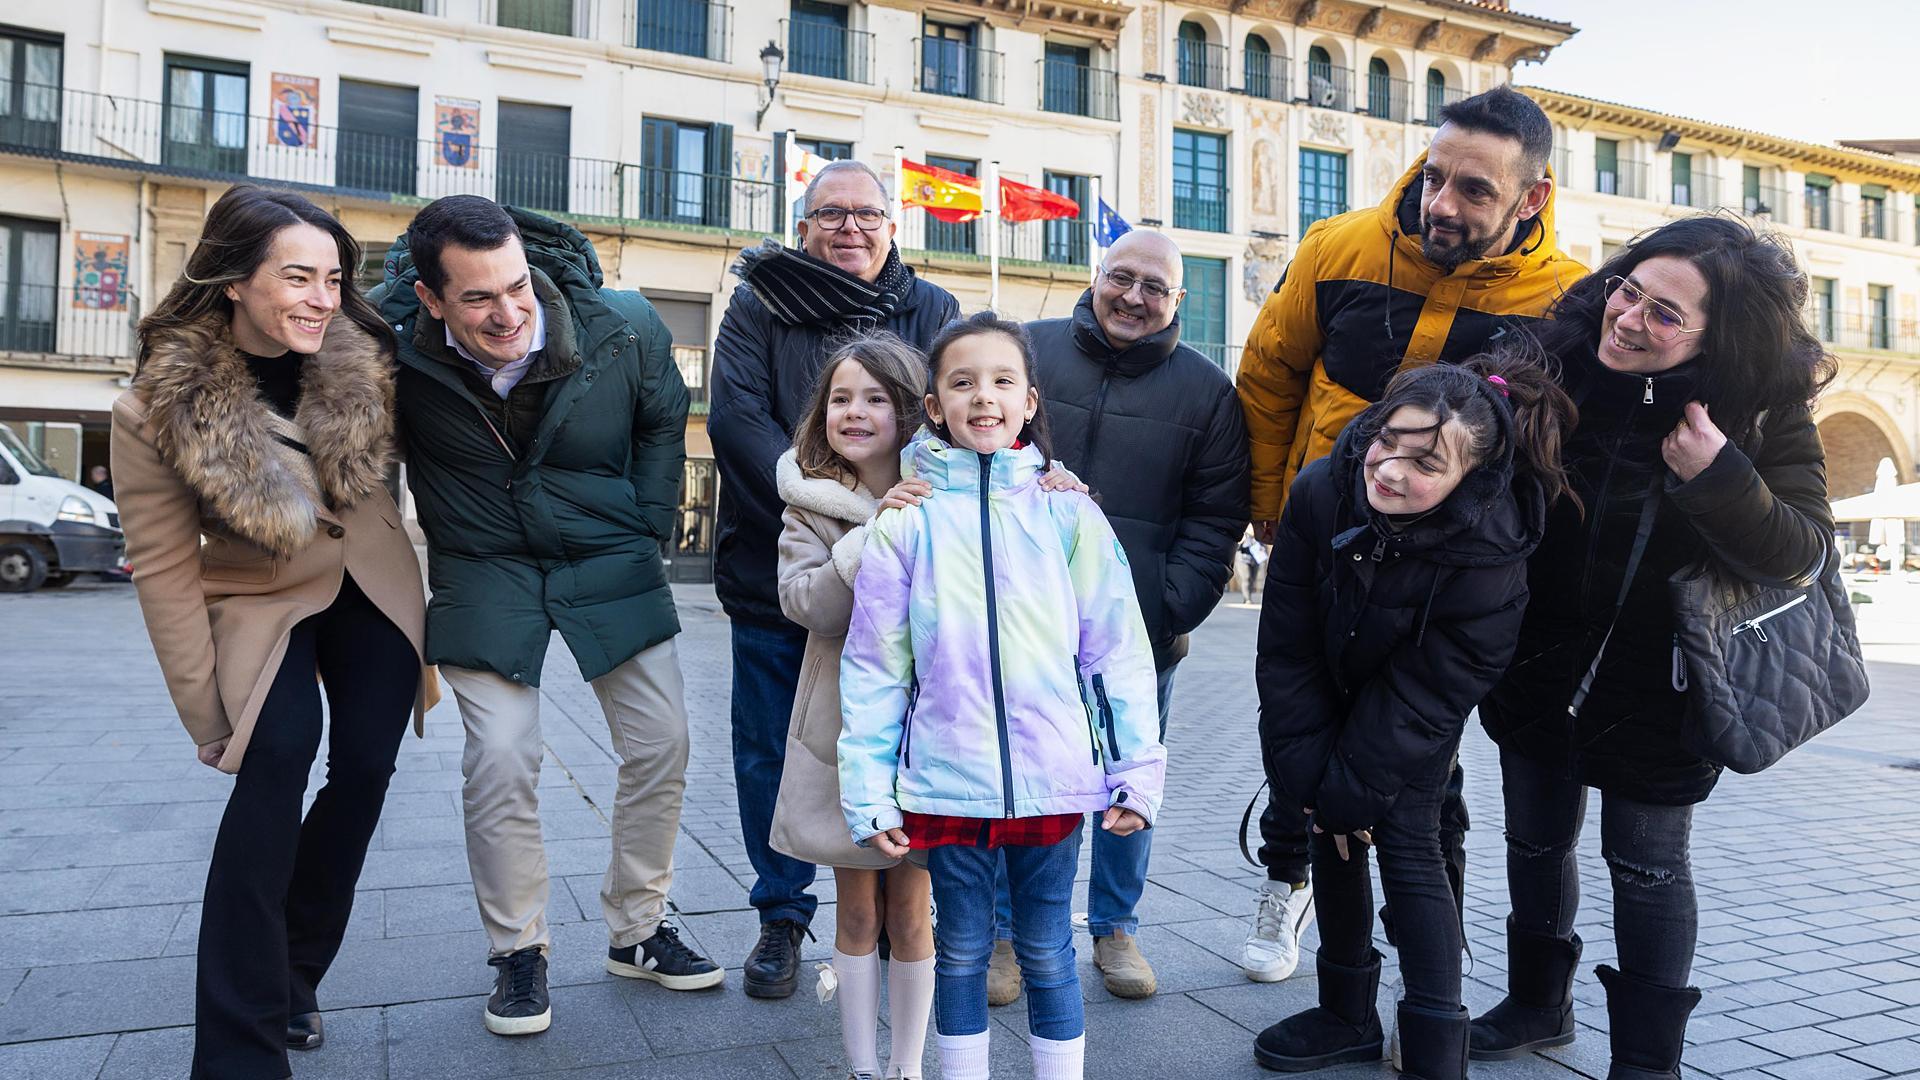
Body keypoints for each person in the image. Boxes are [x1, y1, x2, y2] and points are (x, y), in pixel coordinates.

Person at [1471, 215, 1836, 1078]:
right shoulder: (1550, 364)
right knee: (1533, 841)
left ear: (1718, 336)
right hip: (1536, 662)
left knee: (1646, 869)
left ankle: (1647, 1061)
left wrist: (1720, 477)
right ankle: (1537, 1004)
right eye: (1627, 290)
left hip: (1660, 687)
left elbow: (1805, 551)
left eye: (1665, 314)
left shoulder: (1757, 410)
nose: (1628, 318)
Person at [1234, 83, 1583, 984]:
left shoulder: (1566, 300)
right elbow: (1270, 375)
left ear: (1531, 199)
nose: (1443, 204)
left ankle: (1438, 944)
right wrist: (1271, 505)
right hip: (1321, 546)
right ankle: (1287, 889)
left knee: (1422, 764)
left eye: (1476, 191)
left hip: (1446, 583)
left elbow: (1558, 449)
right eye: (1436, 177)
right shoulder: (1335, 246)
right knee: (1300, 721)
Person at [375, 196, 719, 1037]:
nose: (509, 312)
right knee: (500, 755)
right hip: (483, 566)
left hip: (608, 554)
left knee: (662, 740)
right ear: (430, 298)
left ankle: (637, 929)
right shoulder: (382, 346)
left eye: (517, 286)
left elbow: (663, 416)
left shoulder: (622, 324)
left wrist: (646, 519)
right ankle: (517, 951)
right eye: (479, 299)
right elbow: (359, 450)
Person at [112, 185, 432, 1080]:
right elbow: (168, 569)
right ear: (233, 280)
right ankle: (237, 1050)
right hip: (261, 598)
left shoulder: (363, 355)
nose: (320, 298)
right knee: (277, 762)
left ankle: (296, 971)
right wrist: (207, 715)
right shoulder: (154, 408)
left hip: (371, 581)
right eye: (297, 277)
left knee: (367, 763)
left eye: (332, 278)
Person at [839, 312, 1166, 1080]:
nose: (982, 397)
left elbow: (1116, 652)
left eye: (1001, 381)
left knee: (1049, 950)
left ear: (1029, 401)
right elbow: (877, 670)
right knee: (959, 950)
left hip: (1053, 779)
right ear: (934, 406)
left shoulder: (1068, 512)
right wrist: (869, 793)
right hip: (949, 782)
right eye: (961, 382)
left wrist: (1136, 772)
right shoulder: (906, 525)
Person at [1252, 351, 1575, 1079]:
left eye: (1425, 464)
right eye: (1386, 441)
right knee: (1325, 820)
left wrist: (1354, 777)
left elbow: (1438, 685)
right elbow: (1286, 641)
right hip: (1323, 690)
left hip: (1411, 716)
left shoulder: (1492, 550)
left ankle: (1434, 1039)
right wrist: (1304, 763)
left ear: (1470, 477)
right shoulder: (1319, 490)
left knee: (1406, 843)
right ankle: (1345, 1013)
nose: (1391, 469)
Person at [709, 158, 959, 998]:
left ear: (892, 226)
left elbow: (954, 422)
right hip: (784, 560)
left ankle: (897, 913)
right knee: (769, 748)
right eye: (829, 214)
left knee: (902, 746)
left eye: (866, 214)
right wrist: (820, 499)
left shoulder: (932, 310)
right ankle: (782, 913)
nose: (848, 227)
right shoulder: (758, 301)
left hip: (909, 581)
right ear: (803, 226)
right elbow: (738, 419)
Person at [1012, 230, 1250, 999]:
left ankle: (1116, 929)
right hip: (1019, 623)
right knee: (1020, 781)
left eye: (1157, 288)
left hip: (1141, 634)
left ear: (1178, 302)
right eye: (1124, 278)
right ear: (1097, 276)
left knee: (1128, 782)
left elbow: (1216, 520)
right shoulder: (1028, 350)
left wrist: (1164, 607)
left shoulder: (1209, 391)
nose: (1135, 297)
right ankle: (1009, 936)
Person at [768, 334, 937, 1080]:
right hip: (844, 733)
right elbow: (807, 605)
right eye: (841, 398)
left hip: (931, 733)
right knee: (858, 908)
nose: (856, 412)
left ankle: (906, 1066)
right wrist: (871, 535)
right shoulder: (809, 504)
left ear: (910, 412)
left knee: (913, 911)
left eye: (875, 398)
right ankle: (862, 1066)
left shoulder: (949, 486)